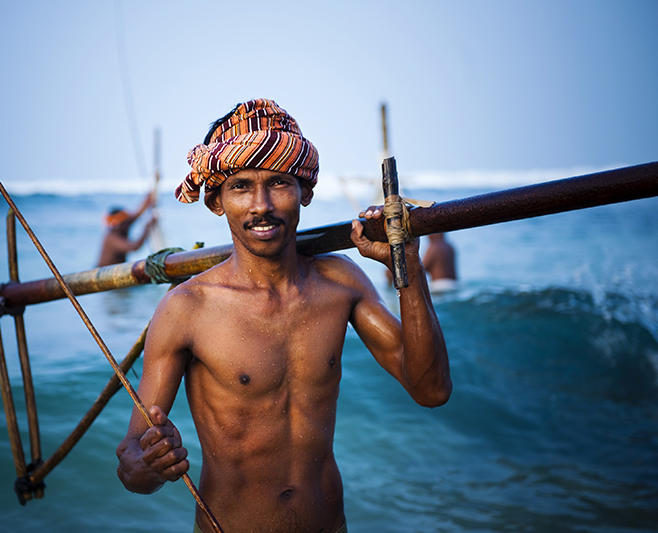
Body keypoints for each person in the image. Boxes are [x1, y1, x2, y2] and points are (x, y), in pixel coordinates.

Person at [115, 99, 451, 533]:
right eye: (240, 187)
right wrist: (149, 465)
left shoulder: (341, 284)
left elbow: (431, 389)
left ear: (304, 193)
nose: (261, 205)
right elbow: (131, 459)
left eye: (278, 183)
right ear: (216, 201)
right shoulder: (188, 307)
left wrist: (408, 268)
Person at [96, 190, 157, 267]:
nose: (127, 224)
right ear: (117, 224)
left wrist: (148, 198)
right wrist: (147, 228)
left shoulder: (122, 226)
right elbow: (134, 247)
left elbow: (137, 214)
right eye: (124, 222)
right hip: (105, 274)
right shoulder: (111, 238)